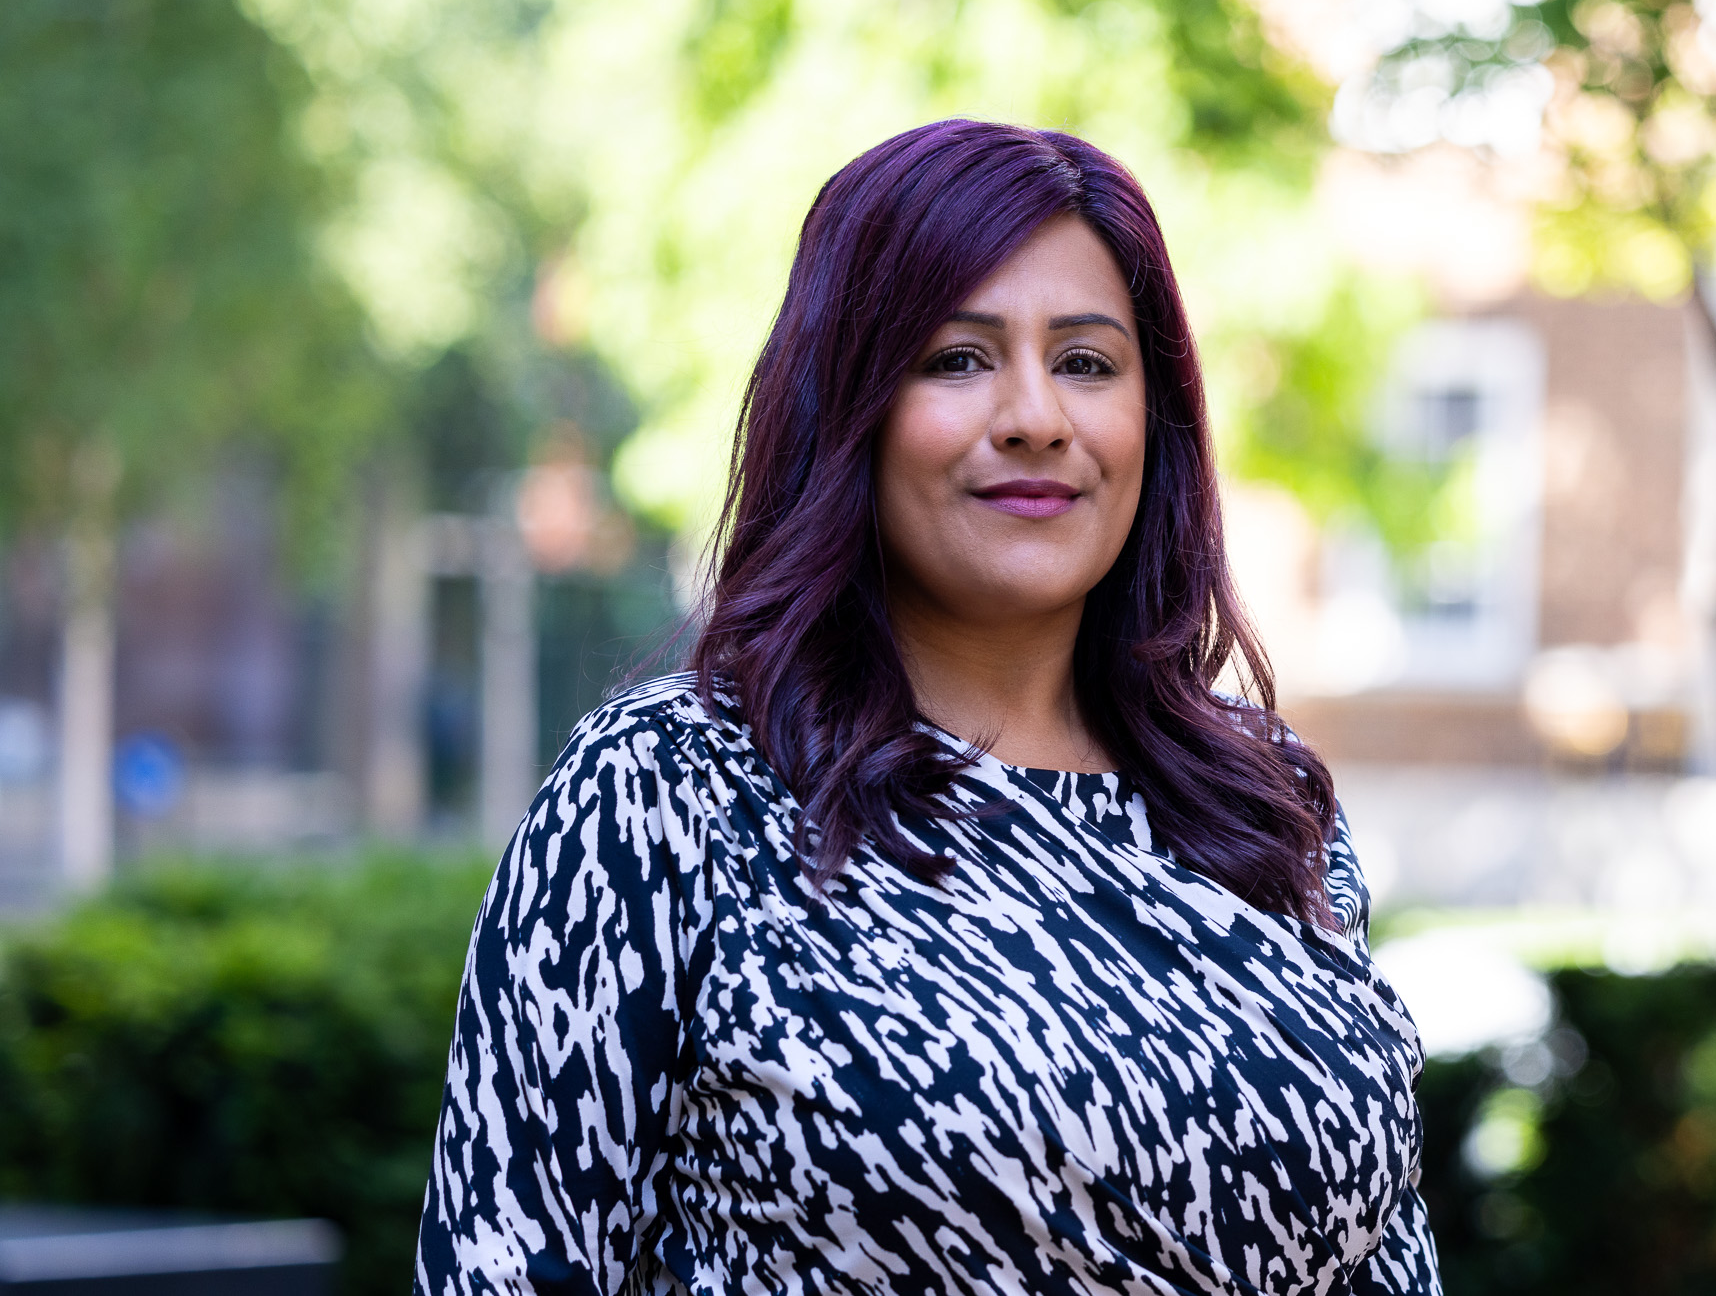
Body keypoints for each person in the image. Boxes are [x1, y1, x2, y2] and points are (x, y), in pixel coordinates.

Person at [414, 119, 1440, 1296]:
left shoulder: (1259, 796)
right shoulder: (666, 795)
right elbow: (501, 1267)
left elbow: (1385, 1253)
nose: (1034, 417)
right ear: (846, 403)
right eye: (957, 358)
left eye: (1087, 363)